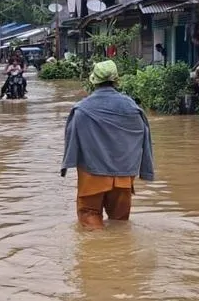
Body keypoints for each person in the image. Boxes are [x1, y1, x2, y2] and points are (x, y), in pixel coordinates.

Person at [60, 60, 155, 229]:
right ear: (116, 80)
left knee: (90, 216)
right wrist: (145, 171)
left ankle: (100, 255)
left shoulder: (81, 109)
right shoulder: (133, 109)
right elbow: (144, 140)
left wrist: (66, 167)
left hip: (92, 175)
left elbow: (72, 143)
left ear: (93, 81)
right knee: (120, 224)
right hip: (124, 176)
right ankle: (121, 254)